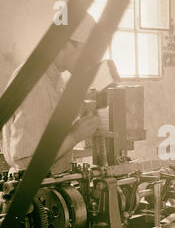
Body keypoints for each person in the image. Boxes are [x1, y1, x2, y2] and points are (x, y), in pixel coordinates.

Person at [1, 14, 100, 175]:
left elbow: (45, 126)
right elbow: (27, 160)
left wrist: (76, 110)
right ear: (65, 44)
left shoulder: (54, 77)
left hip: (51, 187)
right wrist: (75, 135)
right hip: (37, 195)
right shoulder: (36, 81)